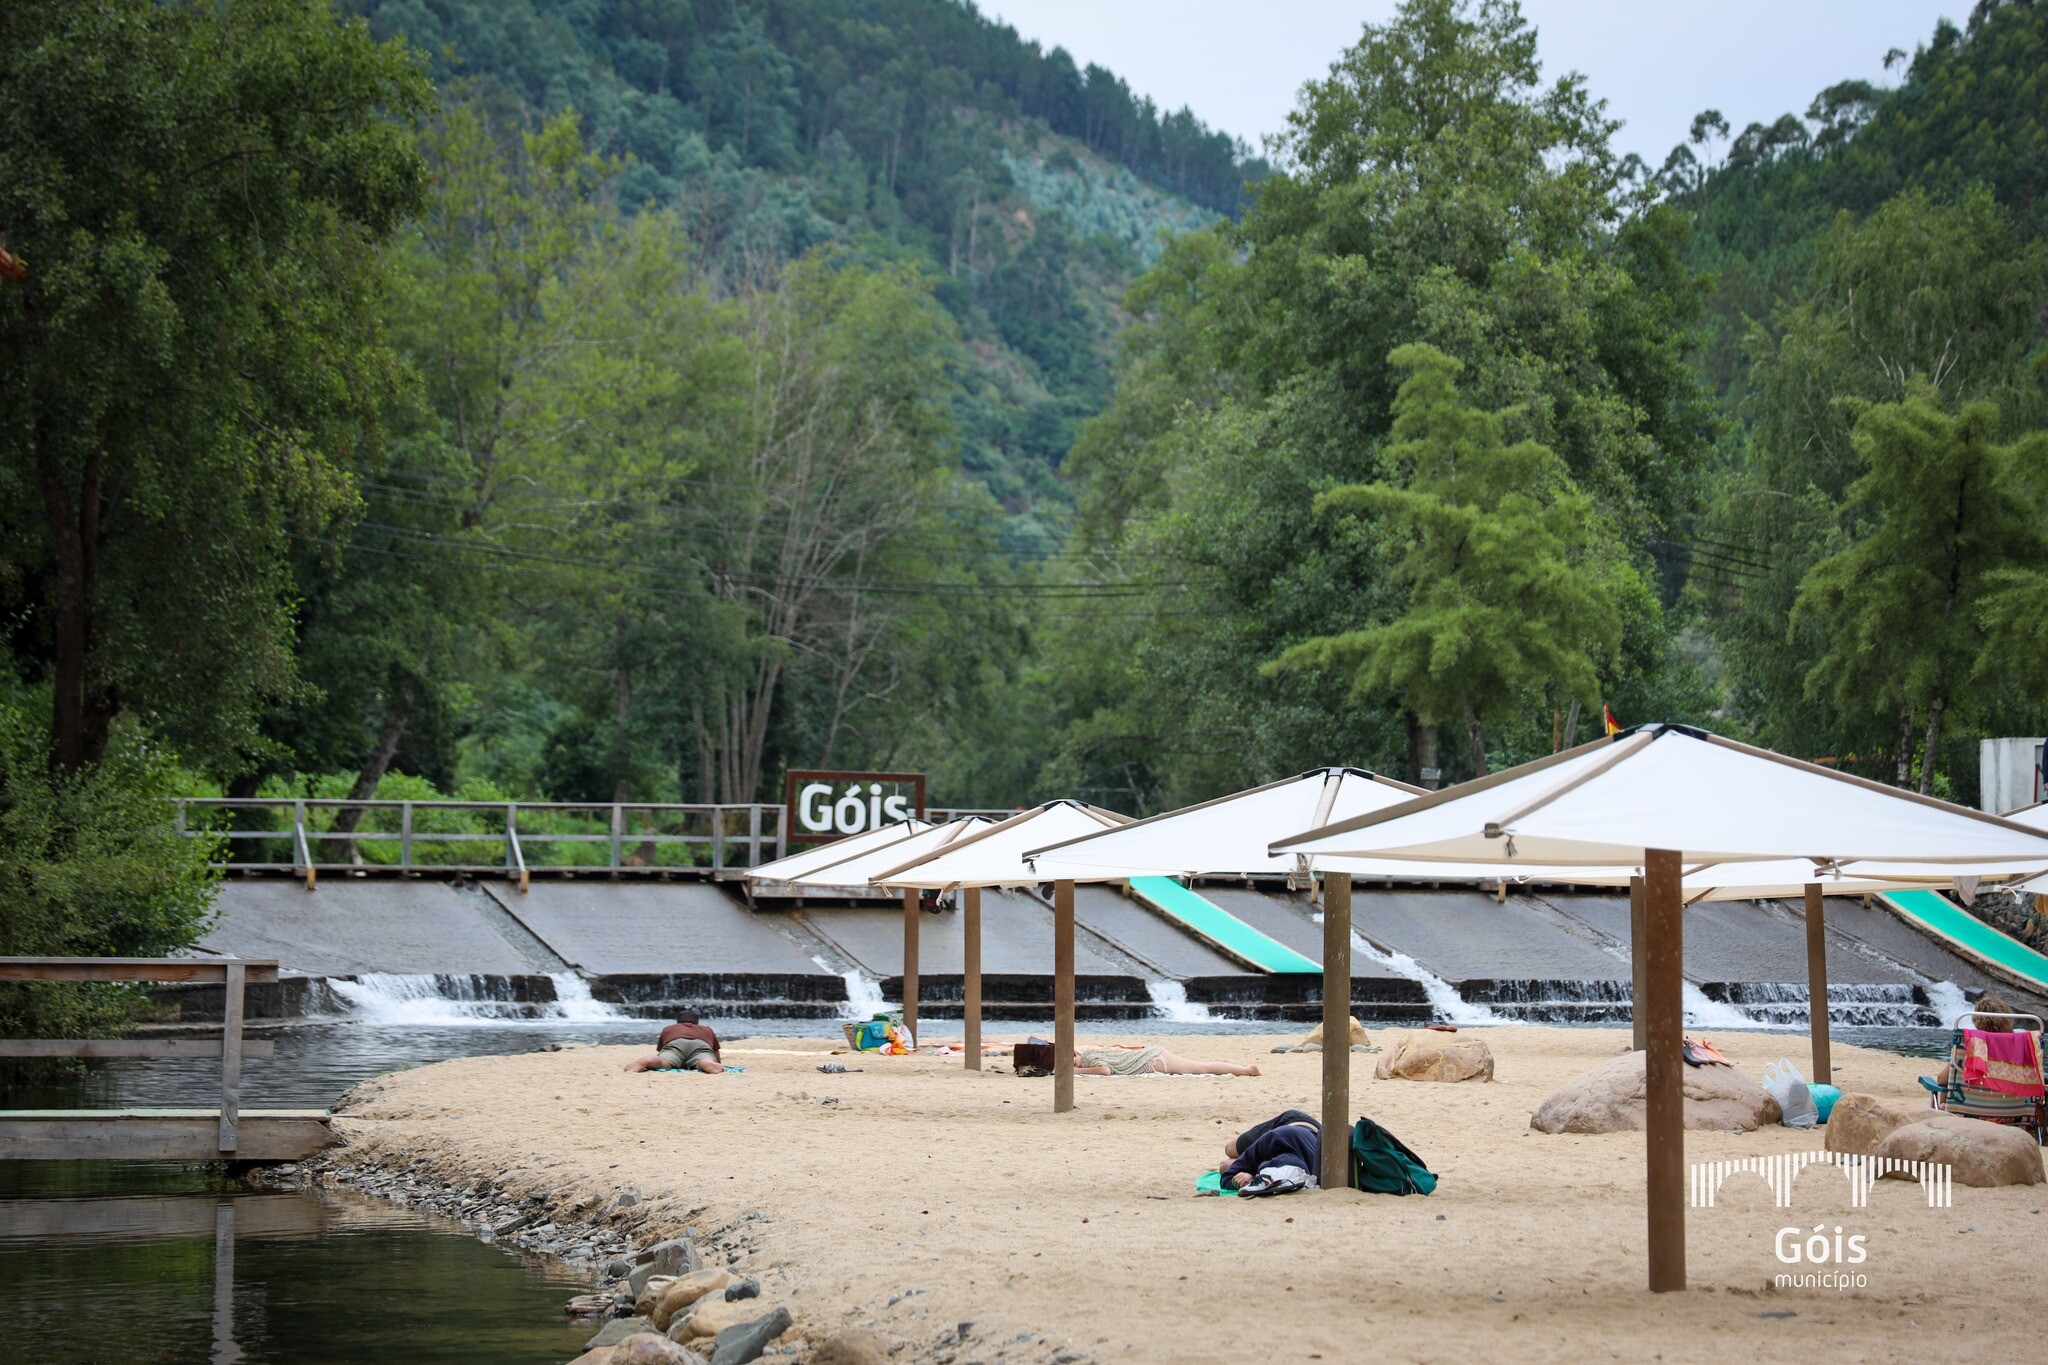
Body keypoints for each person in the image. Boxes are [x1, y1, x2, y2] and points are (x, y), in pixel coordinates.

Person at [1220, 1110, 1322, 1191]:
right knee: (1229, 1149)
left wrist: (1249, 1178)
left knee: (1225, 1166)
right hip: (1295, 1122)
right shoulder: (1268, 1142)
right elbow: (1226, 1178)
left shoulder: (1307, 1171)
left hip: (1300, 1142)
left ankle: (1249, 1168)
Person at [623, 1010, 725, 1073]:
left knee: (663, 1061)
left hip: (676, 1045)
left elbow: (662, 1049)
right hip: (700, 1045)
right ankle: (707, 1063)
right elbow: (715, 1050)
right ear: (697, 1022)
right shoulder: (706, 1029)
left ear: (678, 1022)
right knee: (703, 1059)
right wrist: (717, 1062)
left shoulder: (669, 1028)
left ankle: (647, 1060)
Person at [1072, 1045, 1260, 1077]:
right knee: (1202, 1066)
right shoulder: (1092, 1053)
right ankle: (1243, 1068)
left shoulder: (1089, 1057)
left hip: (1153, 1059)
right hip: (1153, 1056)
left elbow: (1105, 1070)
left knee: (1203, 1068)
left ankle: (1247, 1070)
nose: (1074, 1065)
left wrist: (1078, 1072)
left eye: (1073, 1062)